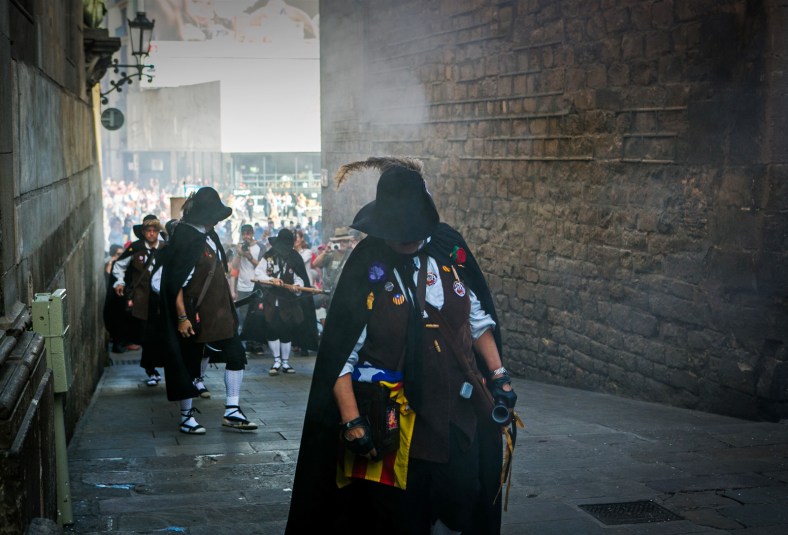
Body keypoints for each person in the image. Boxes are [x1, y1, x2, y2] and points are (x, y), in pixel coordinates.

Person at [286, 157, 517, 535]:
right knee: (397, 518)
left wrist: (499, 375)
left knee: (463, 502)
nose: (405, 237)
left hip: (456, 419)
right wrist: (352, 421)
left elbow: (477, 321)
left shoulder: (449, 251)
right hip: (391, 425)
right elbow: (340, 357)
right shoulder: (367, 264)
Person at [155, 187, 258, 435]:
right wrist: (182, 318)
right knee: (189, 364)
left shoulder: (209, 236)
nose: (216, 219)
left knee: (236, 355)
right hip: (193, 314)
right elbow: (174, 283)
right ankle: (186, 416)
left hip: (220, 313)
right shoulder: (186, 238)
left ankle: (232, 410)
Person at [105, 215, 167, 384]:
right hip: (142, 299)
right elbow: (119, 265)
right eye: (149, 230)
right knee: (147, 334)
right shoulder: (135, 248)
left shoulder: (166, 248)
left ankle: (165, 366)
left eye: (155, 230)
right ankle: (151, 370)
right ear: (144, 232)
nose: (152, 233)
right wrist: (119, 282)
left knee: (163, 333)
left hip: (162, 300)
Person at [252, 228, 318, 375]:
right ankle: (276, 361)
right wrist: (271, 280)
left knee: (286, 329)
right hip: (270, 299)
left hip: (288, 301)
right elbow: (258, 273)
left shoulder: (294, 257)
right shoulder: (269, 256)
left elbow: (299, 278)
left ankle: (286, 362)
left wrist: (297, 287)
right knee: (272, 328)